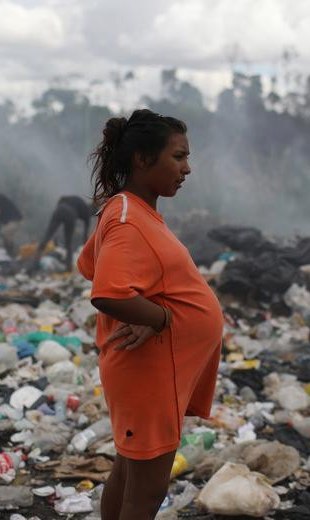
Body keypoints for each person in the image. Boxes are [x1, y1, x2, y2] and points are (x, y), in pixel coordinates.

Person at [77, 109, 223, 520]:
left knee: (129, 473)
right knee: (146, 489)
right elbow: (106, 291)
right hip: (149, 370)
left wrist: (149, 304)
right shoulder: (127, 218)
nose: (187, 168)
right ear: (142, 159)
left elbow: (90, 263)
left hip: (155, 370)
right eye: (178, 157)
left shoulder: (130, 211)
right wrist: (158, 317)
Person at [30, 195, 93, 273]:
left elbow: (62, 198)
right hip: (71, 214)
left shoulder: (79, 200)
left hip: (60, 209)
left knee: (47, 236)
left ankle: (34, 264)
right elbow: (85, 238)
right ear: (92, 211)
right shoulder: (88, 214)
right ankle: (68, 268)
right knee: (68, 243)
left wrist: (58, 208)